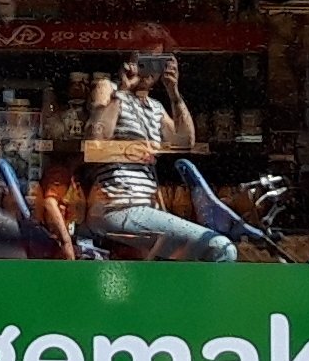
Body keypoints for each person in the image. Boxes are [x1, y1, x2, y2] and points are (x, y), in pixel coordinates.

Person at [78, 43, 238, 262]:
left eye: (157, 63)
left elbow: (184, 140)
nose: (148, 70)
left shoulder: (155, 107)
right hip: (117, 205)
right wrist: (123, 91)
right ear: (129, 61)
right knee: (220, 248)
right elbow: (96, 138)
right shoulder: (110, 89)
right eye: (143, 61)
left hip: (143, 207)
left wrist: (174, 93)